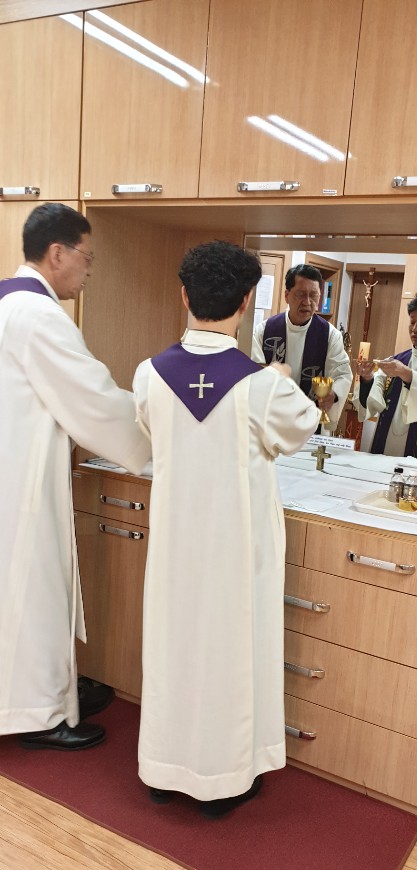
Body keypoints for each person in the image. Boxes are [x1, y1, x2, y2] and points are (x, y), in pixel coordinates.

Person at [133, 241, 320, 819]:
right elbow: (303, 427)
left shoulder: (148, 375)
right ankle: (224, 780)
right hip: (236, 550)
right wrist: (280, 375)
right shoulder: (262, 386)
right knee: (229, 654)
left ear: (184, 295)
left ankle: (163, 768)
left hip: (174, 547)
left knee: (173, 649)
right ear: (246, 302)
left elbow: (151, 433)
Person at [0, 202, 151, 750]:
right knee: (34, 589)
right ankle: (38, 713)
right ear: (57, 253)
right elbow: (94, 400)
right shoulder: (39, 317)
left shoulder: (6, 301)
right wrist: (160, 428)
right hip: (21, 482)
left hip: (11, 464)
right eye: (87, 257)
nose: (89, 270)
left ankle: (49, 692)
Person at [251, 263, 352, 429]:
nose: (307, 302)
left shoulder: (330, 335)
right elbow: (254, 372)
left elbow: (342, 374)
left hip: (311, 422)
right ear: (287, 295)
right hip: (272, 420)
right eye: (300, 294)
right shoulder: (264, 330)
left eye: (314, 295)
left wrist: (333, 395)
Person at [354, 292, 417, 459]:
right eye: (412, 322)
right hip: (383, 448)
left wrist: (407, 374)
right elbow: (371, 405)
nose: (415, 329)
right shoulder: (397, 360)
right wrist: (367, 379)